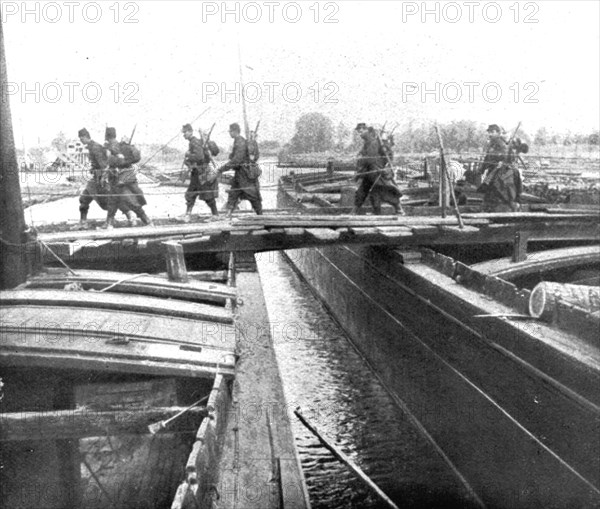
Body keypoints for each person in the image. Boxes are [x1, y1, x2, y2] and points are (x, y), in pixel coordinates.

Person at [76, 128, 135, 228]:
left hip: (100, 178)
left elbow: (103, 165)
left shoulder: (95, 147)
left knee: (111, 200)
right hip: (97, 177)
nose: (81, 141)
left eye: (81, 139)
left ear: (86, 137)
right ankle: (83, 223)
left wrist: (103, 177)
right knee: (85, 198)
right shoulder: (92, 147)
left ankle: (128, 217)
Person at [104, 127, 153, 228]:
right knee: (113, 200)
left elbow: (111, 162)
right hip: (117, 178)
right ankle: (109, 224)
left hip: (121, 179)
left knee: (129, 201)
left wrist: (122, 161)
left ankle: (147, 221)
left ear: (107, 137)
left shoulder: (115, 147)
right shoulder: (122, 146)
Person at [353, 123, 402, 215]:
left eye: (361, 131)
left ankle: (398, 209)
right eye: (359, 132)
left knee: (384, 191)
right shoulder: (366, 144)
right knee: (362, 191)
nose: (360, 134)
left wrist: (387, 166)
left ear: (367, 130)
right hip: (368, 171)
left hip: (378, 171)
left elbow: (385, 155)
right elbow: (365, 158)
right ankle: (356, 211)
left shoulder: (376, 142)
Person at [218, 123, 262, 216]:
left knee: (252, 195)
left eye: (230, 131)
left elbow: (237, 160)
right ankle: (228, 214)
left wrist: (221, 169)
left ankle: (260, 215)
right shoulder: (238, 141)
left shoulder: (240, 141)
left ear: (234, 131)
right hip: (240, 173)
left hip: (244, 174)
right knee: (233, 193)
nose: (229, 133)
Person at [478, 124, 524, 212]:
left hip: (503, 170)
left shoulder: (501, 143)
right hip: (493, 170)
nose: (490, 134)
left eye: (492, 132)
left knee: (500, 188)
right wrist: (482, 169)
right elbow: (487, 157)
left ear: (498, 133)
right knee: (489, 189)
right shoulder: (491, 144)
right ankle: (489, 208)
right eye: (489, 132)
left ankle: (512, 206)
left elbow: (505, 155)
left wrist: (499, 160)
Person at [181, 124, 219, 222]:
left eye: (185, 132)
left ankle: (215, 215)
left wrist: (189, 155)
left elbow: (199, 157)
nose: (183, 134)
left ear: (190, 131)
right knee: (191, 193)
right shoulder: (193, 142)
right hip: (197, 172)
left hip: (202, 172)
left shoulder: (194, 142)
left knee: (207, 195)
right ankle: (187, 215)